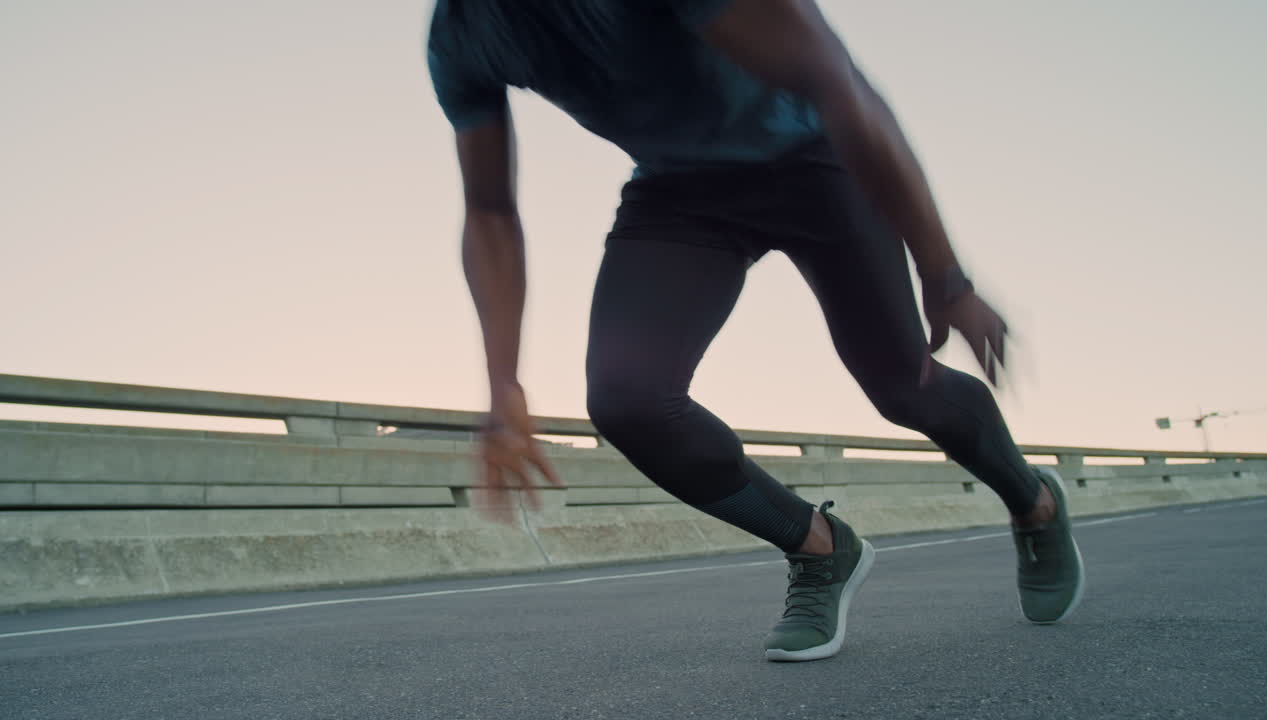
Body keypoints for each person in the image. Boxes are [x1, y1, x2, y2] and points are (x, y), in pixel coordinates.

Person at [426, 0, 1084, 662]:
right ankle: (820, 548)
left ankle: (1034, 504)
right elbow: (487, 207)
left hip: (816, 155)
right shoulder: (463, 32)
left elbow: (839, 84)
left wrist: (945, 275)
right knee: (628, 400)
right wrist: (502, 383)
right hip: (681, 193)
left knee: (902, 388)